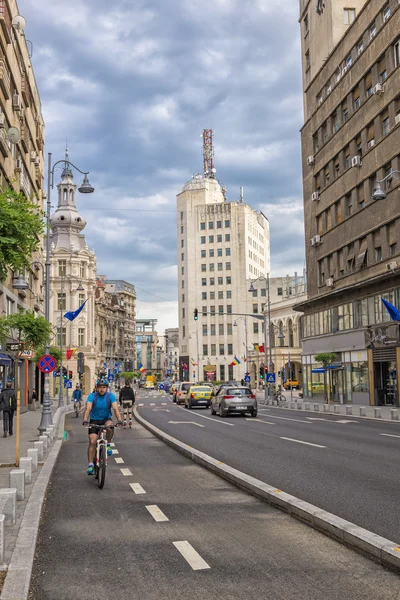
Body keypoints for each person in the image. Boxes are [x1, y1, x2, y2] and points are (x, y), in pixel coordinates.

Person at [82, 379, 122, 475]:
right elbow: (88, 408)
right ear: (96, 388)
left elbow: (115, 409)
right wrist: (85, 419)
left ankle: (108, 444)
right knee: (92, 441)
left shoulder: (110, 396)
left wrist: (120, 420)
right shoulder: (92, 396)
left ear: (107, 388)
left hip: (106, 419)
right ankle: (91, 465)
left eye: (104, 387)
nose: (102, 389)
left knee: (110, 427)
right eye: (100, 387)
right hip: (94, 420)